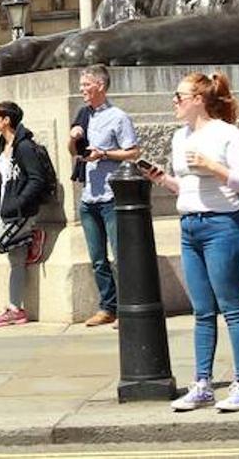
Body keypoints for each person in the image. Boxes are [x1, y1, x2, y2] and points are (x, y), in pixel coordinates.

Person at [149, 72, 239, 413]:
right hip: (190, 226)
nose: (175, 102)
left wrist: (213, 167)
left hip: (222, 225)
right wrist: (163, 179)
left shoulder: (227, 134)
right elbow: (188, 187)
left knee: (232, 309)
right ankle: (202, 384)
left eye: (179, 96)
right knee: (202, 311)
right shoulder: (180, 137)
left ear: (199, 99)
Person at [68, 64, 140, 326]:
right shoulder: (83, 115)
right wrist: (72, 137)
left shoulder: (118, 117)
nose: (82, 90)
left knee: (121, 255)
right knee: (97, 258)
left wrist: (105, 154)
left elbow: (132, 152)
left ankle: (129, 306)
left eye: (86, 85)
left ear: (100, 85)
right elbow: (75, 153)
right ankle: (107, 306)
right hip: (88, 197)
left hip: (111, 195)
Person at [0, 100, 48, 328]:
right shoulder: (2, 143)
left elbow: (37, 179)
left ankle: (31, 237)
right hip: (6, 212)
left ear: (6, 120)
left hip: (20, 214)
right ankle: (15, 310)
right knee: (16, 262)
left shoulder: (24, 147)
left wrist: (17, 204)